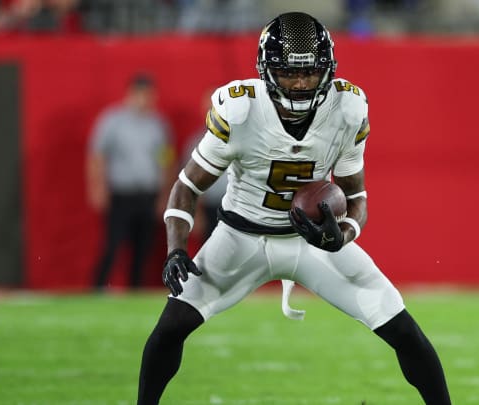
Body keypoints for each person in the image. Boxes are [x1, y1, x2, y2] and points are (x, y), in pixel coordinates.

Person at [137, 12, 451, 405]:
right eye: (288, 73)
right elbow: (186, 186)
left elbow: (357, 199)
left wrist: (344, 234)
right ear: (267, 71)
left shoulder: (348, 109)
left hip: (312, 244)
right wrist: (176, 249)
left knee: (404, 330)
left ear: (328, 69)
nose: (301, 84)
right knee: (170, 327)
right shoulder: (239, 110)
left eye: (311, 73)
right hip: (239, 236)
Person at [87, 73, 175, 291]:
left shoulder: (158, 124)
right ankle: (98, 288)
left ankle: (134, 289)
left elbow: (166, 161)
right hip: (121, 192)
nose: (146, 100)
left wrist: (165, 195)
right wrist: (97, 187)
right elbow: (97, 156)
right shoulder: (113, 120)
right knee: (112, 244)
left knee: (143, 247)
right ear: (131, 94)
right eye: (142, 95)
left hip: (148, 193)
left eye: (149, 95)